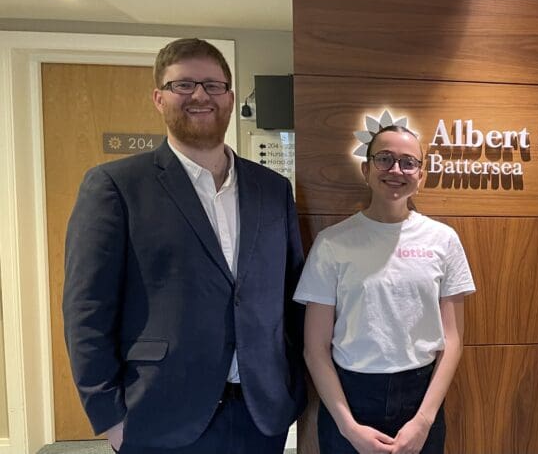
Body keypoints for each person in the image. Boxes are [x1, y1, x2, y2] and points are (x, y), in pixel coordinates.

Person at [62, 38, 306, 453]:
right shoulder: (116, 186)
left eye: (213, 85)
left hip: (260, 413)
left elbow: (292, 293)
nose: (199, 95)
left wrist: (292, 386)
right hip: (160, 413)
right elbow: (87, 308)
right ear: (159, 97)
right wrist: (109, 416)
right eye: (183, 85)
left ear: (229, 97)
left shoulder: (273, 189)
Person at [296, 125, 475, 454]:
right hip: (350, 396)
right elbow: (315, 349)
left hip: (421, 397)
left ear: (421, 175)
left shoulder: (443, 240)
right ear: (366, 169)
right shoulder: (332, 243)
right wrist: (348, 427)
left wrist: (424, 421)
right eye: (385, 159)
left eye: (408, 162)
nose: (396, 170)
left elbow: (452, 341)